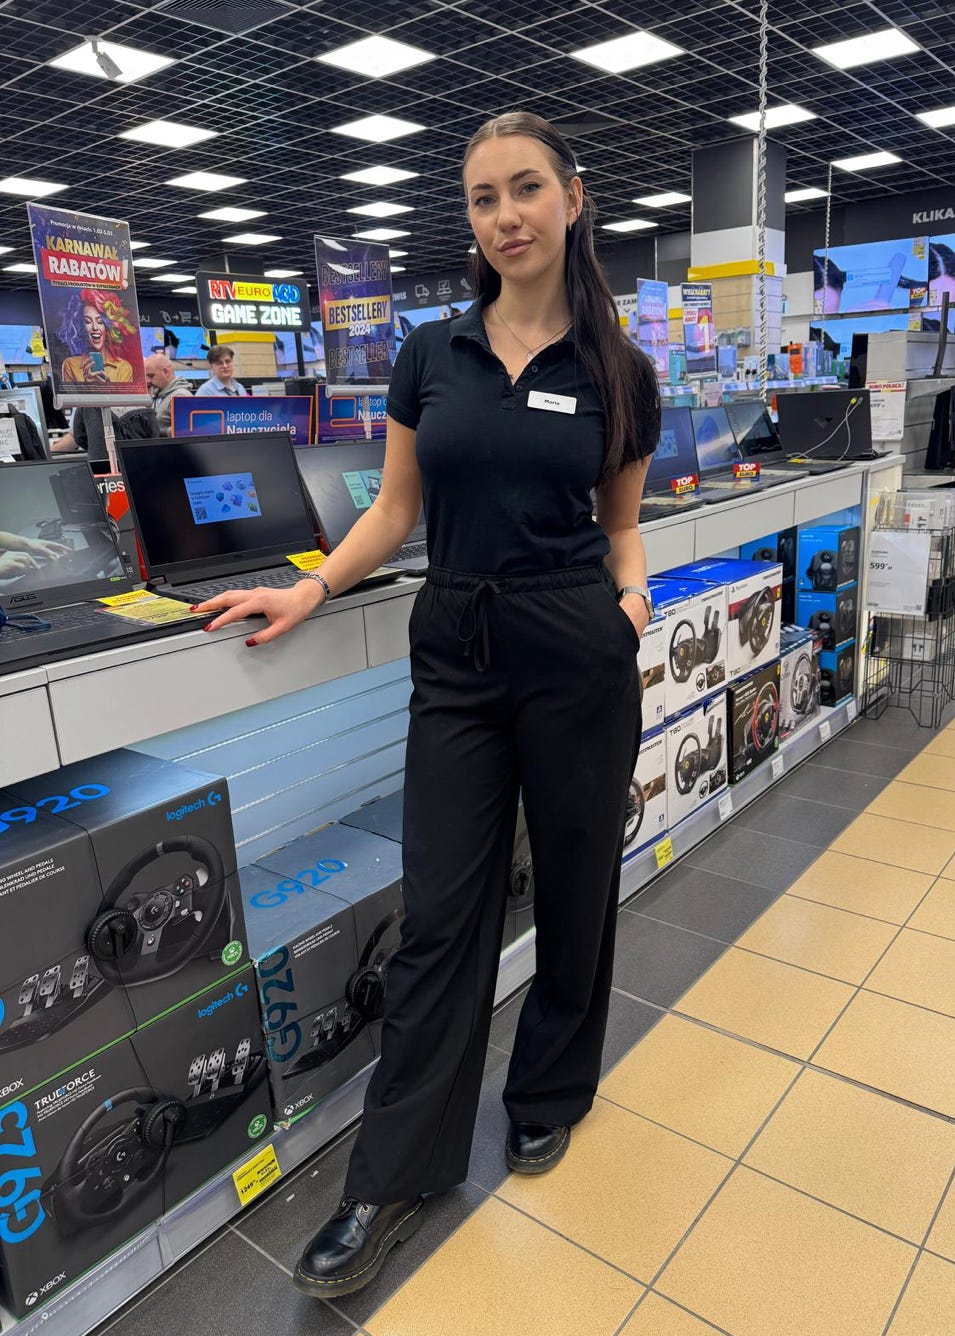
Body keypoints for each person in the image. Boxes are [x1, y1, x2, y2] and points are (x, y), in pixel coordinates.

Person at [194, 109, 660, 1300]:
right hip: (454, 646)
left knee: (572, 885)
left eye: (524, 191)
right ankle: (393, 1176)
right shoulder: (429, 353)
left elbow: (620, 520)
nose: (503, 217)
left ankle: (550, 1093)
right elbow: (394, 508)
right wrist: (311, 586)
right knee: (444, 912)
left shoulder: (620, 370)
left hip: (573, 642)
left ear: (571, 199)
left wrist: (631, 594)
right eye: (481, 198)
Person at [57, 288, 139, 384]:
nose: (95, 327)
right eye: (87, 321)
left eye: (100, 322)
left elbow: (126, 399)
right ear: (80, 327)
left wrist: (107, 389)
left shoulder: (123, 367)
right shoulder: (70, 365)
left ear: (108, 326)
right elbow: (70, 398)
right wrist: (86, 387)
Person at [145, 352, 193, 431]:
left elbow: (184, 431)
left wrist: (157, 432)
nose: (148, 381)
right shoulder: (158, 395)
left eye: (151, 376)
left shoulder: (180, 396)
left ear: (166, 372)